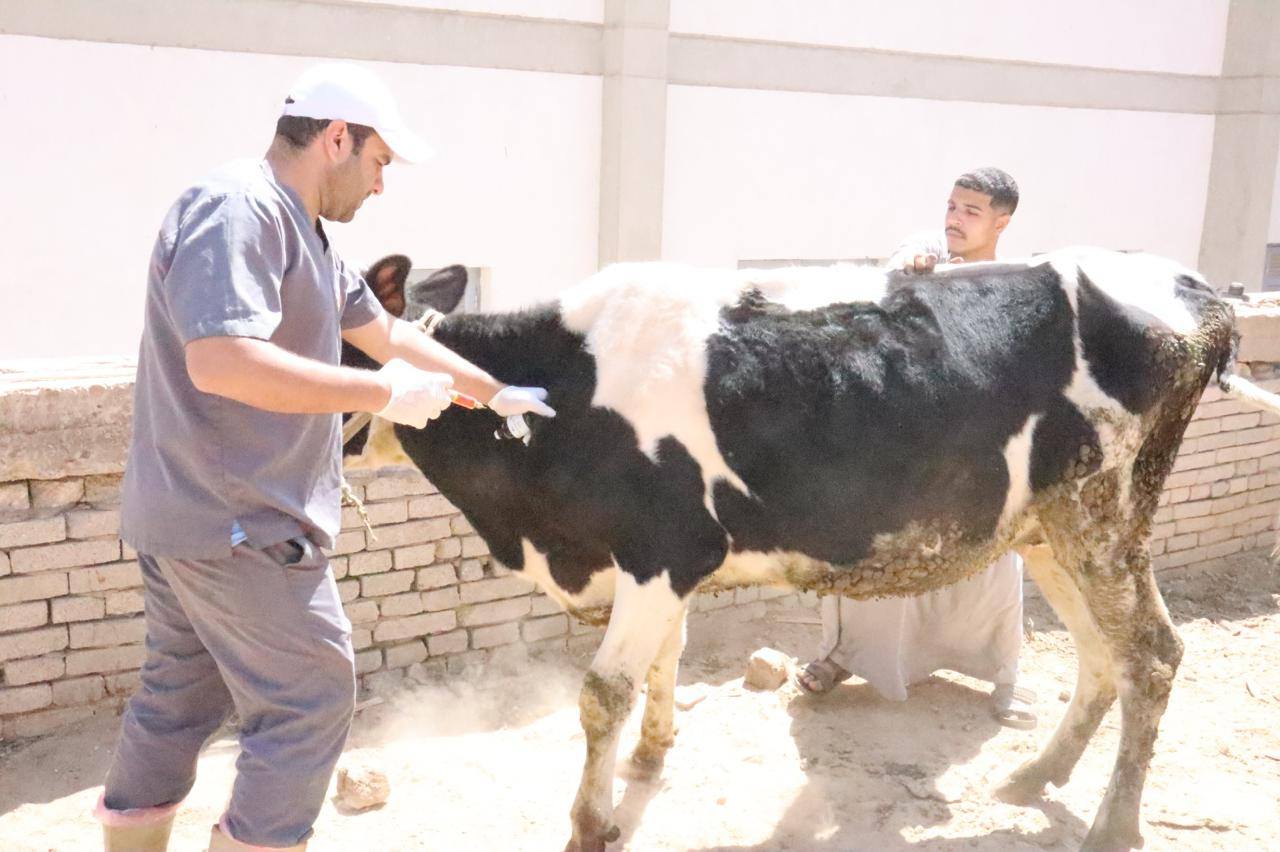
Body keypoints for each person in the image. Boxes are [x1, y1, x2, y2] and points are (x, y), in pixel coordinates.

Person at [94, 64, 555, 852]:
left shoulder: (302, 231)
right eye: (379, 161)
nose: (381, 185)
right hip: (240, 522)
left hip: (192, 517)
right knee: (308, 700)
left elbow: (388, 334)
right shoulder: (239, 210)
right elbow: (222, 361)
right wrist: (381, 394)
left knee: (176, 703)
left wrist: (494, 390)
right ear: (337, 138)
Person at [797, 167, 1037, 730]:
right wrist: (912, 265)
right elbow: (899, 271)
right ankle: (842, 656)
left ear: (1002, 223)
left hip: (976, 451)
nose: (955, 219)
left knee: (992, 570)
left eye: (971, 211)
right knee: (872, 553)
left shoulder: (1015, 284)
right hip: (907, 446)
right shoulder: (926, 256)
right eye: (952, 206)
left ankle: (1006, 675)